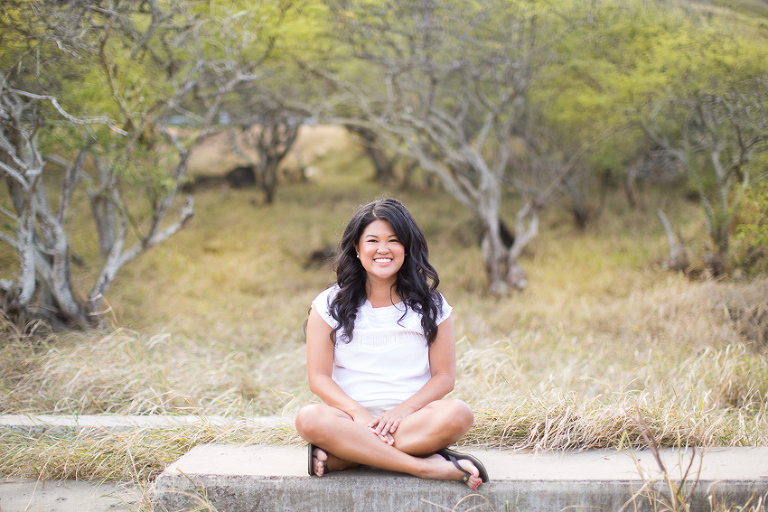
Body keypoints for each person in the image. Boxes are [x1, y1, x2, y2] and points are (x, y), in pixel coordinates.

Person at [295, 198, 488, 489]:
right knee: (309, 419)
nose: (383, 249)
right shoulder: (328, 304)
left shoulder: (432, 305)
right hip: (348, 420)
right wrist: (359, 415)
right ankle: (423, 466)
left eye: (394, 240)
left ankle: (348, 456)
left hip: (412, 421)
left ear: (407, 249)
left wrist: (403, 411)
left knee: (459, 414)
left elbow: (444, 377)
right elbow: (319, 378)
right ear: (357, 249)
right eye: (372, 240)